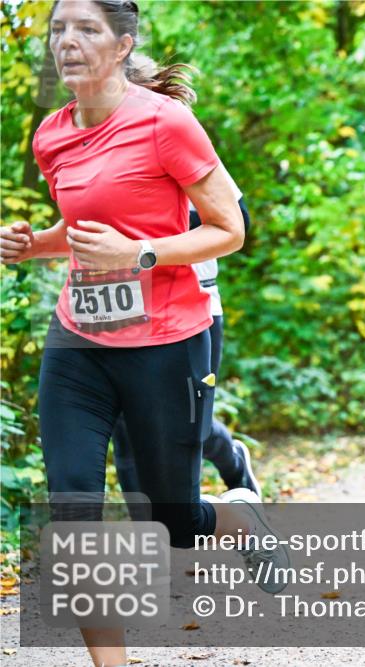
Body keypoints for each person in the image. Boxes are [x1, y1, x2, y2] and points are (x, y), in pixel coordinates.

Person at [0, 2, 287, 665]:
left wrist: (140, 255)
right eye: (58, 29)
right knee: (73, 513)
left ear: (124, 43)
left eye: (87, 28)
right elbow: (80, 233)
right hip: (78, 345)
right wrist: (30, 243)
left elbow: (231, 230)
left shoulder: (166, 124)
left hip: (165, 345)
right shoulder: (51, 134)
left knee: (174, 523)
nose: (67, 41)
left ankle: (239, 516)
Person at [113, 161, 261, 498]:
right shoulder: (117, 155)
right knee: (125, 423)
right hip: (127, 306)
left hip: (197, 304)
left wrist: (151, 227)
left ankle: (233, 460)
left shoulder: (191, 154)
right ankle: (149, 534)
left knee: (190, 422)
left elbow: (239, 220)